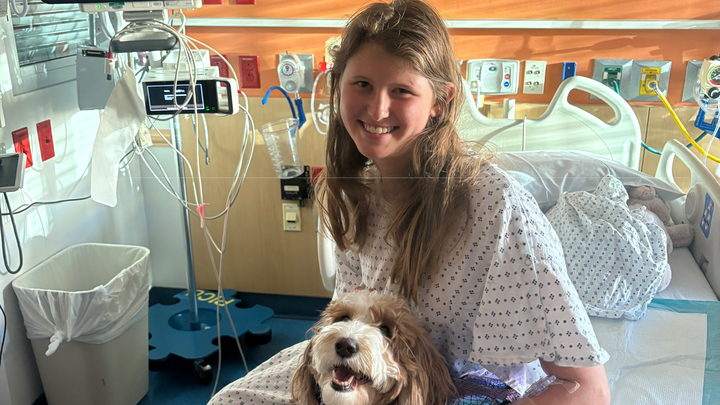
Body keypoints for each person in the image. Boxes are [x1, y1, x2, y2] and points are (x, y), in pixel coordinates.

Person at [209, 1, 610, 404]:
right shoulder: (355, 195)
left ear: (440, 101)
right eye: (362, 84)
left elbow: (588, 390)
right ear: (338, 85)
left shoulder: (494, 208)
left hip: (463, 390)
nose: (377, 109)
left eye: (401, 90)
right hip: (371, 377)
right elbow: (350, 324)